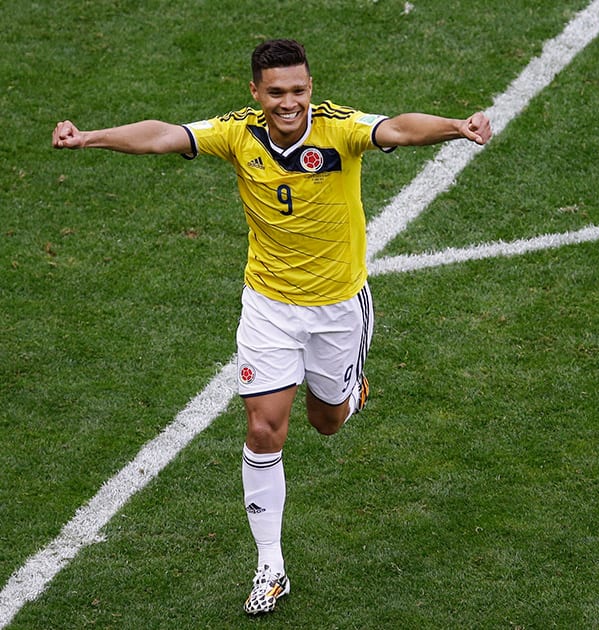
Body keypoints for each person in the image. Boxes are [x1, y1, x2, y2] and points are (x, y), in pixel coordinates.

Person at [52, 38, 492, 615]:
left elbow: (401, 129)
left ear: (312, 88)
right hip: (269, 307)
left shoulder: (338, 129)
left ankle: (347, 393)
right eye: (277, 92)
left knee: (327, 421)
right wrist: (90, 137)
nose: (290, 103)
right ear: (256, 92)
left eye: (300, 90)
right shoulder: (238, 133)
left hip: (338, 310)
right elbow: (164, 135)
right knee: (264, 430)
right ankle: (270, 565)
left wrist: (456, 127)